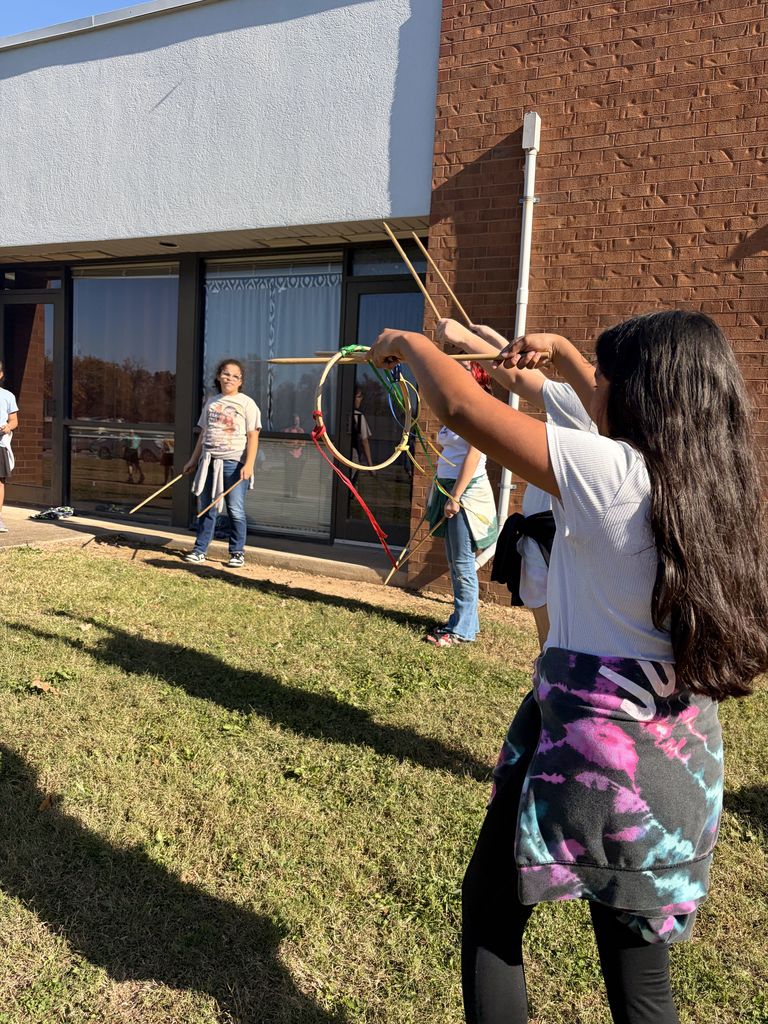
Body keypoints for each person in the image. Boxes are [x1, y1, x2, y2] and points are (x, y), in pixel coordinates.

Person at [371, 312, 768, 1024]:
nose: (594, 389)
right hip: (676, 767)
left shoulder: (610, 472)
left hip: (588, 760)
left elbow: (463, 407)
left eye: (605, 379)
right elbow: (589, 396)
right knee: (638, 974)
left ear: (637, 394)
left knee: (492, 914)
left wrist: (405, 342)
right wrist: (553, 350)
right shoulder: (717, 489)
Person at [437, 318, 595, 648]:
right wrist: (491, 337)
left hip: (558, 538)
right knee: (558, 642)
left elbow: (519, 379)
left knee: (557, 642)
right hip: (551, 535)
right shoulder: (599, 405)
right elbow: (526, 375)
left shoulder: (587, 404)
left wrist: (463, 340)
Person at [424, 361, 498, 648]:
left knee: (462, 564)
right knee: (456, 562)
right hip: (450, 489)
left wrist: (455, 496)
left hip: (466, 494)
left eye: (465, 370)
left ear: (477, 376)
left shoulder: (479, 409)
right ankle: (466, 622)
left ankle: (461, 631)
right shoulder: (457, 407)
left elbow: (474, 456)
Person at [183, 359, 261, 569]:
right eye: (226, 374)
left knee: (235, 509)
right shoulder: (211, 402)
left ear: (240, 381)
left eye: (235, 376)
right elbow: (204, 434)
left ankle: (237, 552)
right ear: (218, 376)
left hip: (234, 464)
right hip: (208, 462)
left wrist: (249, 464)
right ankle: (200, 550)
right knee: (206, 507)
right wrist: (193, 460)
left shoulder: (247, 403)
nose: (230, 378)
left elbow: (253, 436)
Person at [0, 361, 19, 534]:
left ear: (1, 374)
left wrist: (7, 427)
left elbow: (14, 421)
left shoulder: (8, 396)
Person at [350, 387, 373, 484]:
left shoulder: (338, 414)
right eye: (358, 396)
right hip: (353, 457)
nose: (361, 399)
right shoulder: (358, 417)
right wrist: (371, 466)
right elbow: (365, 442)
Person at [282, 414, 305, 499]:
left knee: (296, 475)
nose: (296, 422)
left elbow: (304, 443)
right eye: (295, 420)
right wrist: (290, 446)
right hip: (289, 455)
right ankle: (287, 494)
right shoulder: (287, 430)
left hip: (298, 456)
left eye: (297, 420)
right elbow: (283, 442)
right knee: (288, 475)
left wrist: (298, 445)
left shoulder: (301, 431)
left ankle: (295, 494)